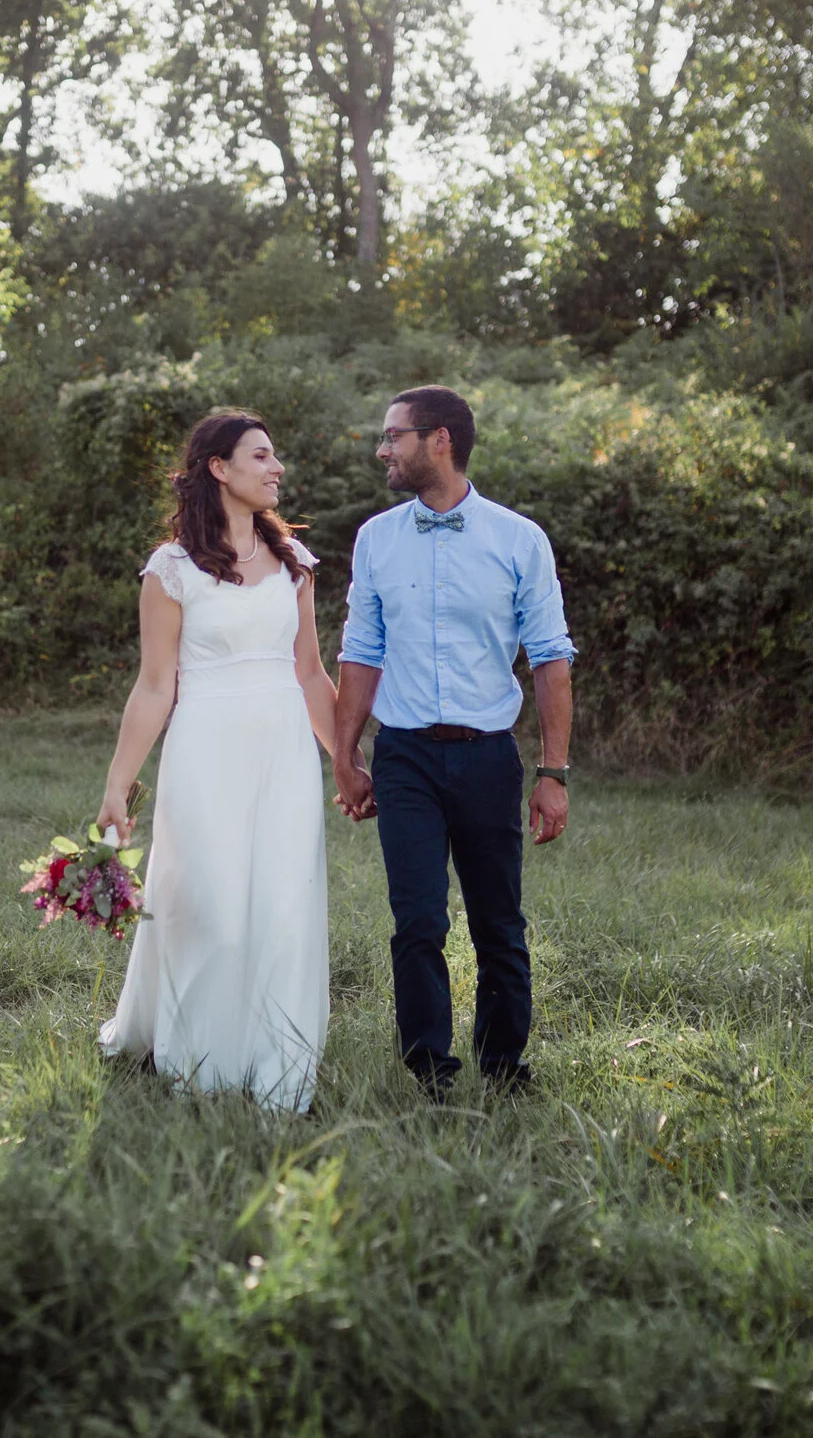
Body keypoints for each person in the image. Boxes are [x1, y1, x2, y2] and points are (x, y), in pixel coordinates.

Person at [333, 385, 574, 1099]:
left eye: (394, 436)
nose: (383, 449)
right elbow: (360, 653)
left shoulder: (519, 540)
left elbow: (551, 659)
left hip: (488, 756)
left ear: (439, 440)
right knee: (417, 919)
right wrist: (346, 756)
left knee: (498, 921)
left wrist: (553, 771)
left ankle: (504, 1068)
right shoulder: (376, 539)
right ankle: (429, 1072)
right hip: (403, 754)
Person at [94, 409, 339, 1113]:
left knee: (283, 910)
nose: (276, 467)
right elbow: (154, 686)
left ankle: (278, 1062)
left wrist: (350, 764)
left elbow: (311, 673)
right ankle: (197, 1061)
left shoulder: (295, 564)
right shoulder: (172, 570)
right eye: (261, 455)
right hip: (205, 751)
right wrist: (117, 784)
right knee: (210, 906)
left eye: (274, 455)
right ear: (218, 468)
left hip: (285, 755)